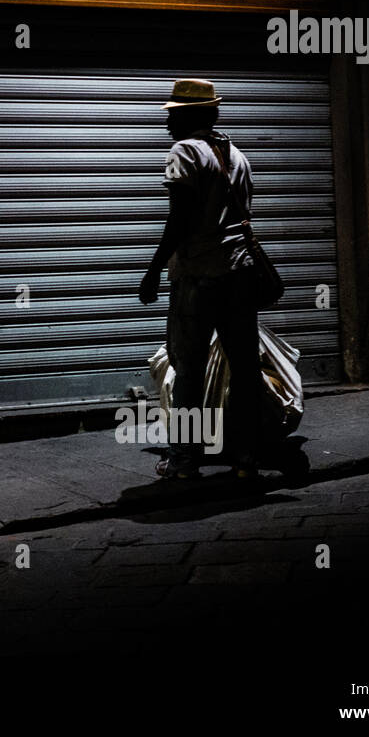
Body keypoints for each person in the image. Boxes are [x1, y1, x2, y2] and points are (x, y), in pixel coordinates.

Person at [138, 78, 262, 480]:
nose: (167, 124)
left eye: (174, 114)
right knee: (244, 367)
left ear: (194, 115)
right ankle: (246, 456)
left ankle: (185, 460)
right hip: (239, 274)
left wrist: (155, 269)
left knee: (188, 368)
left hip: (199, 276)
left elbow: (179, 218)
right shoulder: (237, 155)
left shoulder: (182, 152)